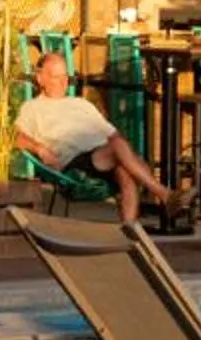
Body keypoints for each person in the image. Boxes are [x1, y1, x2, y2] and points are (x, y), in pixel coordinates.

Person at [15, 48, 189, 226]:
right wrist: (40, 149)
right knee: (117, 146)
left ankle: (130, 236)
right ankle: (165, 195)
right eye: (55, 76)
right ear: (40, 78)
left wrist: (129, 159)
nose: (63, 82)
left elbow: (112, 133)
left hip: (102, 157)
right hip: (74, 165)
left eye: (65, 76)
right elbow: (16, 137)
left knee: (125, 171)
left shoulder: (81, 104)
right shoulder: (32, 108)